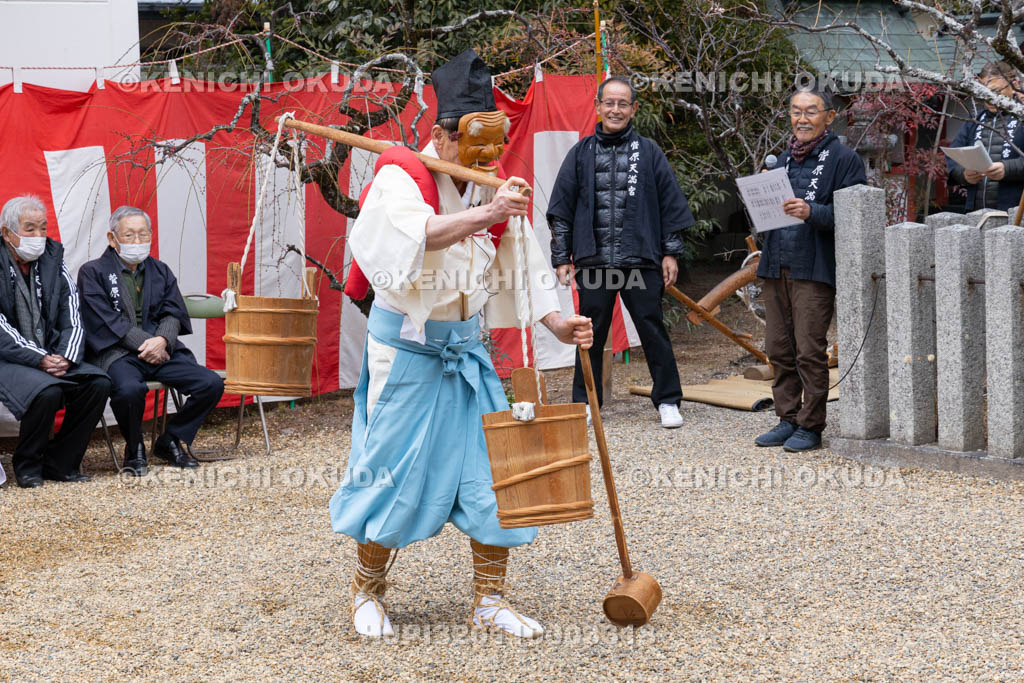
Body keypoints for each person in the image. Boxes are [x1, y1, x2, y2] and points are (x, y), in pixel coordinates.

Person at [328, 49, 593, 639]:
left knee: (491, 471)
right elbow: (411, 241)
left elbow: (522, 260)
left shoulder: (488, 186)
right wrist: (488, 212)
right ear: (444, 134)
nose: (483, 159)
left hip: (466, 351)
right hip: (408, 351)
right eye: (470, 145)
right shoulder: (402, 174)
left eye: (490, 148)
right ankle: (366, 592)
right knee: (389, 469)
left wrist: (556, 321)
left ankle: (490, 599)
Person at [547, 75, 695, 429]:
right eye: (609, 103)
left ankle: (668, 400)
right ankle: (585, 402)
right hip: (593, 261)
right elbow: (561, 211)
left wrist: (670, 252)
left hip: (639, 259)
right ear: (597, 107)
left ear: (633, 109)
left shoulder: (649, 152)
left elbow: (670, 205)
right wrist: (561, 257)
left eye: (622, 103)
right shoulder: (580, 153)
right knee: (589, 332)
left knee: (652, 327)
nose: (615, 109)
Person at [754, 88, 866, 452]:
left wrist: (812, 212)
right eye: (795, 111)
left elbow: (856, 216)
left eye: (811, 112)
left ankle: (811, 424)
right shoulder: (781, 159)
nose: (802, 119)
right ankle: (787, 418)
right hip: (776, 263)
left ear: (829, 117)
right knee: (778, 348)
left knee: (808, 351)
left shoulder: (844, 159)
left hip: (814, 267)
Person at [78, 206, 224, 475]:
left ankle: (170, 440)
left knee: (210, 383)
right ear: (112, 238)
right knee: (128, 390)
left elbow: (173, 311)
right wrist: (148, 344)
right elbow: (106, 321)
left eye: (142, 235)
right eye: (129, 235)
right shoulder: (93, 272)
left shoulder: (160, 270)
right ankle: (134, 448)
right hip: (117, 353)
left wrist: (161, 341)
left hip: (161, 349)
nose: (137, 242)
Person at [0, 195, 110, 488]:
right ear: (7, 233)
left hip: (51, 354)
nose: (39, 237)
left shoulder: (52, 260)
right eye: (30, 229)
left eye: (43, 229)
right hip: (7, 359)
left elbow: (72, 312)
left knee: (97, 384)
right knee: (46, 392)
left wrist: (66, 356)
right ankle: (27, 464)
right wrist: (40, 358)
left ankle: (61, 462)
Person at [946, 60, 1024, 212]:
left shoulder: (1022, 117)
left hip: (1016, 211)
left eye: (995, 91)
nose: (988, 97)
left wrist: (1007, 168)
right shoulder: (974, 121)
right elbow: (954, 155)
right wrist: (963, 175)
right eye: (983, 92)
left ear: (1014, 85)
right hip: (977, 211)